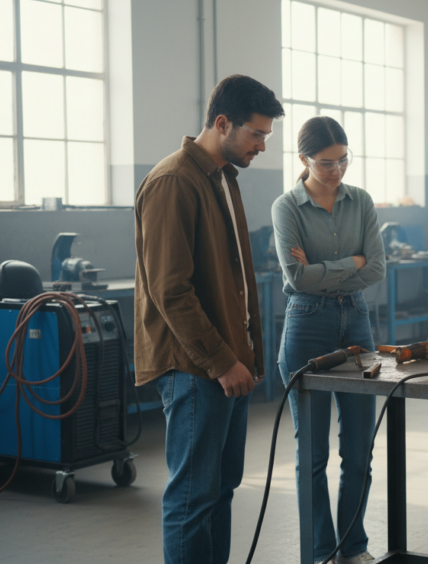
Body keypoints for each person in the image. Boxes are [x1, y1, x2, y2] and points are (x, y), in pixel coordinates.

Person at [134, 74, 284, 563]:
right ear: (223, 123)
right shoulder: (174, 181)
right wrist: (222, 361)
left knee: (220, 490)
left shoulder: (222, 178)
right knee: (193, 497)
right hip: (195, 367)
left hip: (226, 364)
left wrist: (249, 354)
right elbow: (170, 291)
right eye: (257, 134)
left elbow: (237, 279)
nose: (263, 145)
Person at [272, 116, 386, 564]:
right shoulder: (287, 207)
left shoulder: (362, 202)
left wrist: (324, 268)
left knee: (359, 450)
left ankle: (352, 547)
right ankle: (320, 551)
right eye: (325, 163)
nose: (336, 170)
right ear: (303, 159)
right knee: (312, 453)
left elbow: (376, 269)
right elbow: (295, 277)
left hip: (357, 322)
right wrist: (350, 262)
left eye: (343, 160)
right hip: (307, 326)